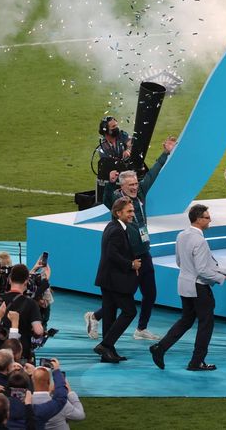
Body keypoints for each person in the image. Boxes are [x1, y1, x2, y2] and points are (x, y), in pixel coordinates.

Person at [85, 136, 175, 343]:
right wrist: (109, 183)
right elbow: (107, 199)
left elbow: (152, 174)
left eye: (135, 183)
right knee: (122, 298)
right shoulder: (118, 200)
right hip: (128, 256)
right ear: (122, 186)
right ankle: (95, 317)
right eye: (130, 185)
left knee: (150, 293)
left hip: (144, 252)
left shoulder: (141, 193)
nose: (134, 187)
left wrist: (165, 154)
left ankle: (141, 328)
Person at [149, 204, 226, 371]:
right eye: (207, 217)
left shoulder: (181, 235)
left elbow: (179, 262)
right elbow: (202, 270)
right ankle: (196, 361)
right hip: (199, 288)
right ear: (198, 219)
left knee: (186, 320)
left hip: (184, 284)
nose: (210, 220)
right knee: (206, 324)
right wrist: (220, 277)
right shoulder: (200, 240)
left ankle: (161, 347)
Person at [92, 197, 140, 363]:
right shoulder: (117, 230)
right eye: (129, 211)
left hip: (108, 279)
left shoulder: (114, 226)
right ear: (118, 213)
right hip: (115, 280)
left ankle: (108, 352)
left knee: (109, 314)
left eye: (132, 210)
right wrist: (131, 264)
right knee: (129, 311)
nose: (132, 214)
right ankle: (105, 345)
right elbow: (112, 255)